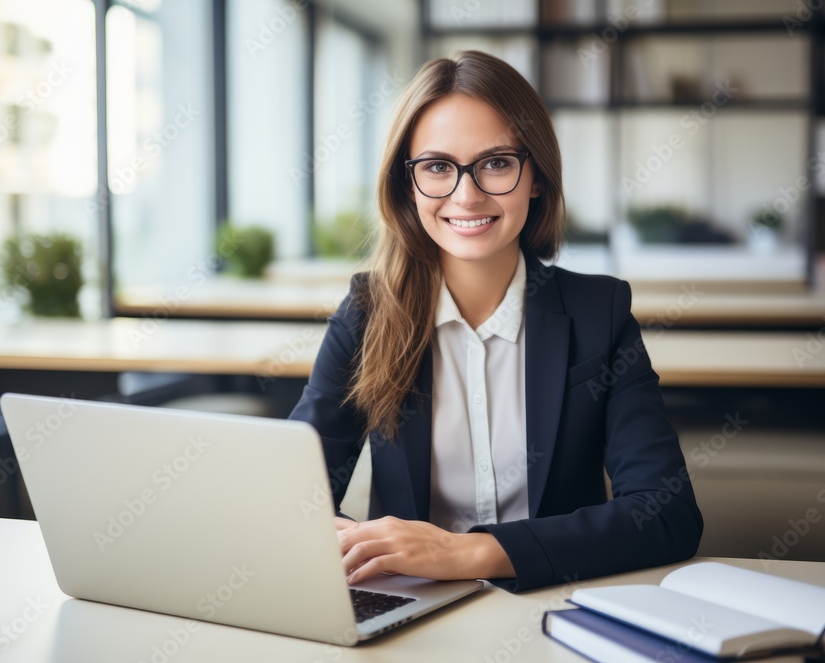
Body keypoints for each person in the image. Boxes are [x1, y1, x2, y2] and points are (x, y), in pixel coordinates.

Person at [288, 50, 702, 593]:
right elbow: (291, 498)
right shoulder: (368, 311)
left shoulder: (599, 313)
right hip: (409, 606)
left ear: (536, 176)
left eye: (497, 162)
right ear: (407, 186)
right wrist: (340, 540)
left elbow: (667, 515)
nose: (467, 194)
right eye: (437, 166)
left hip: (553, 598)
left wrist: (468, 553)